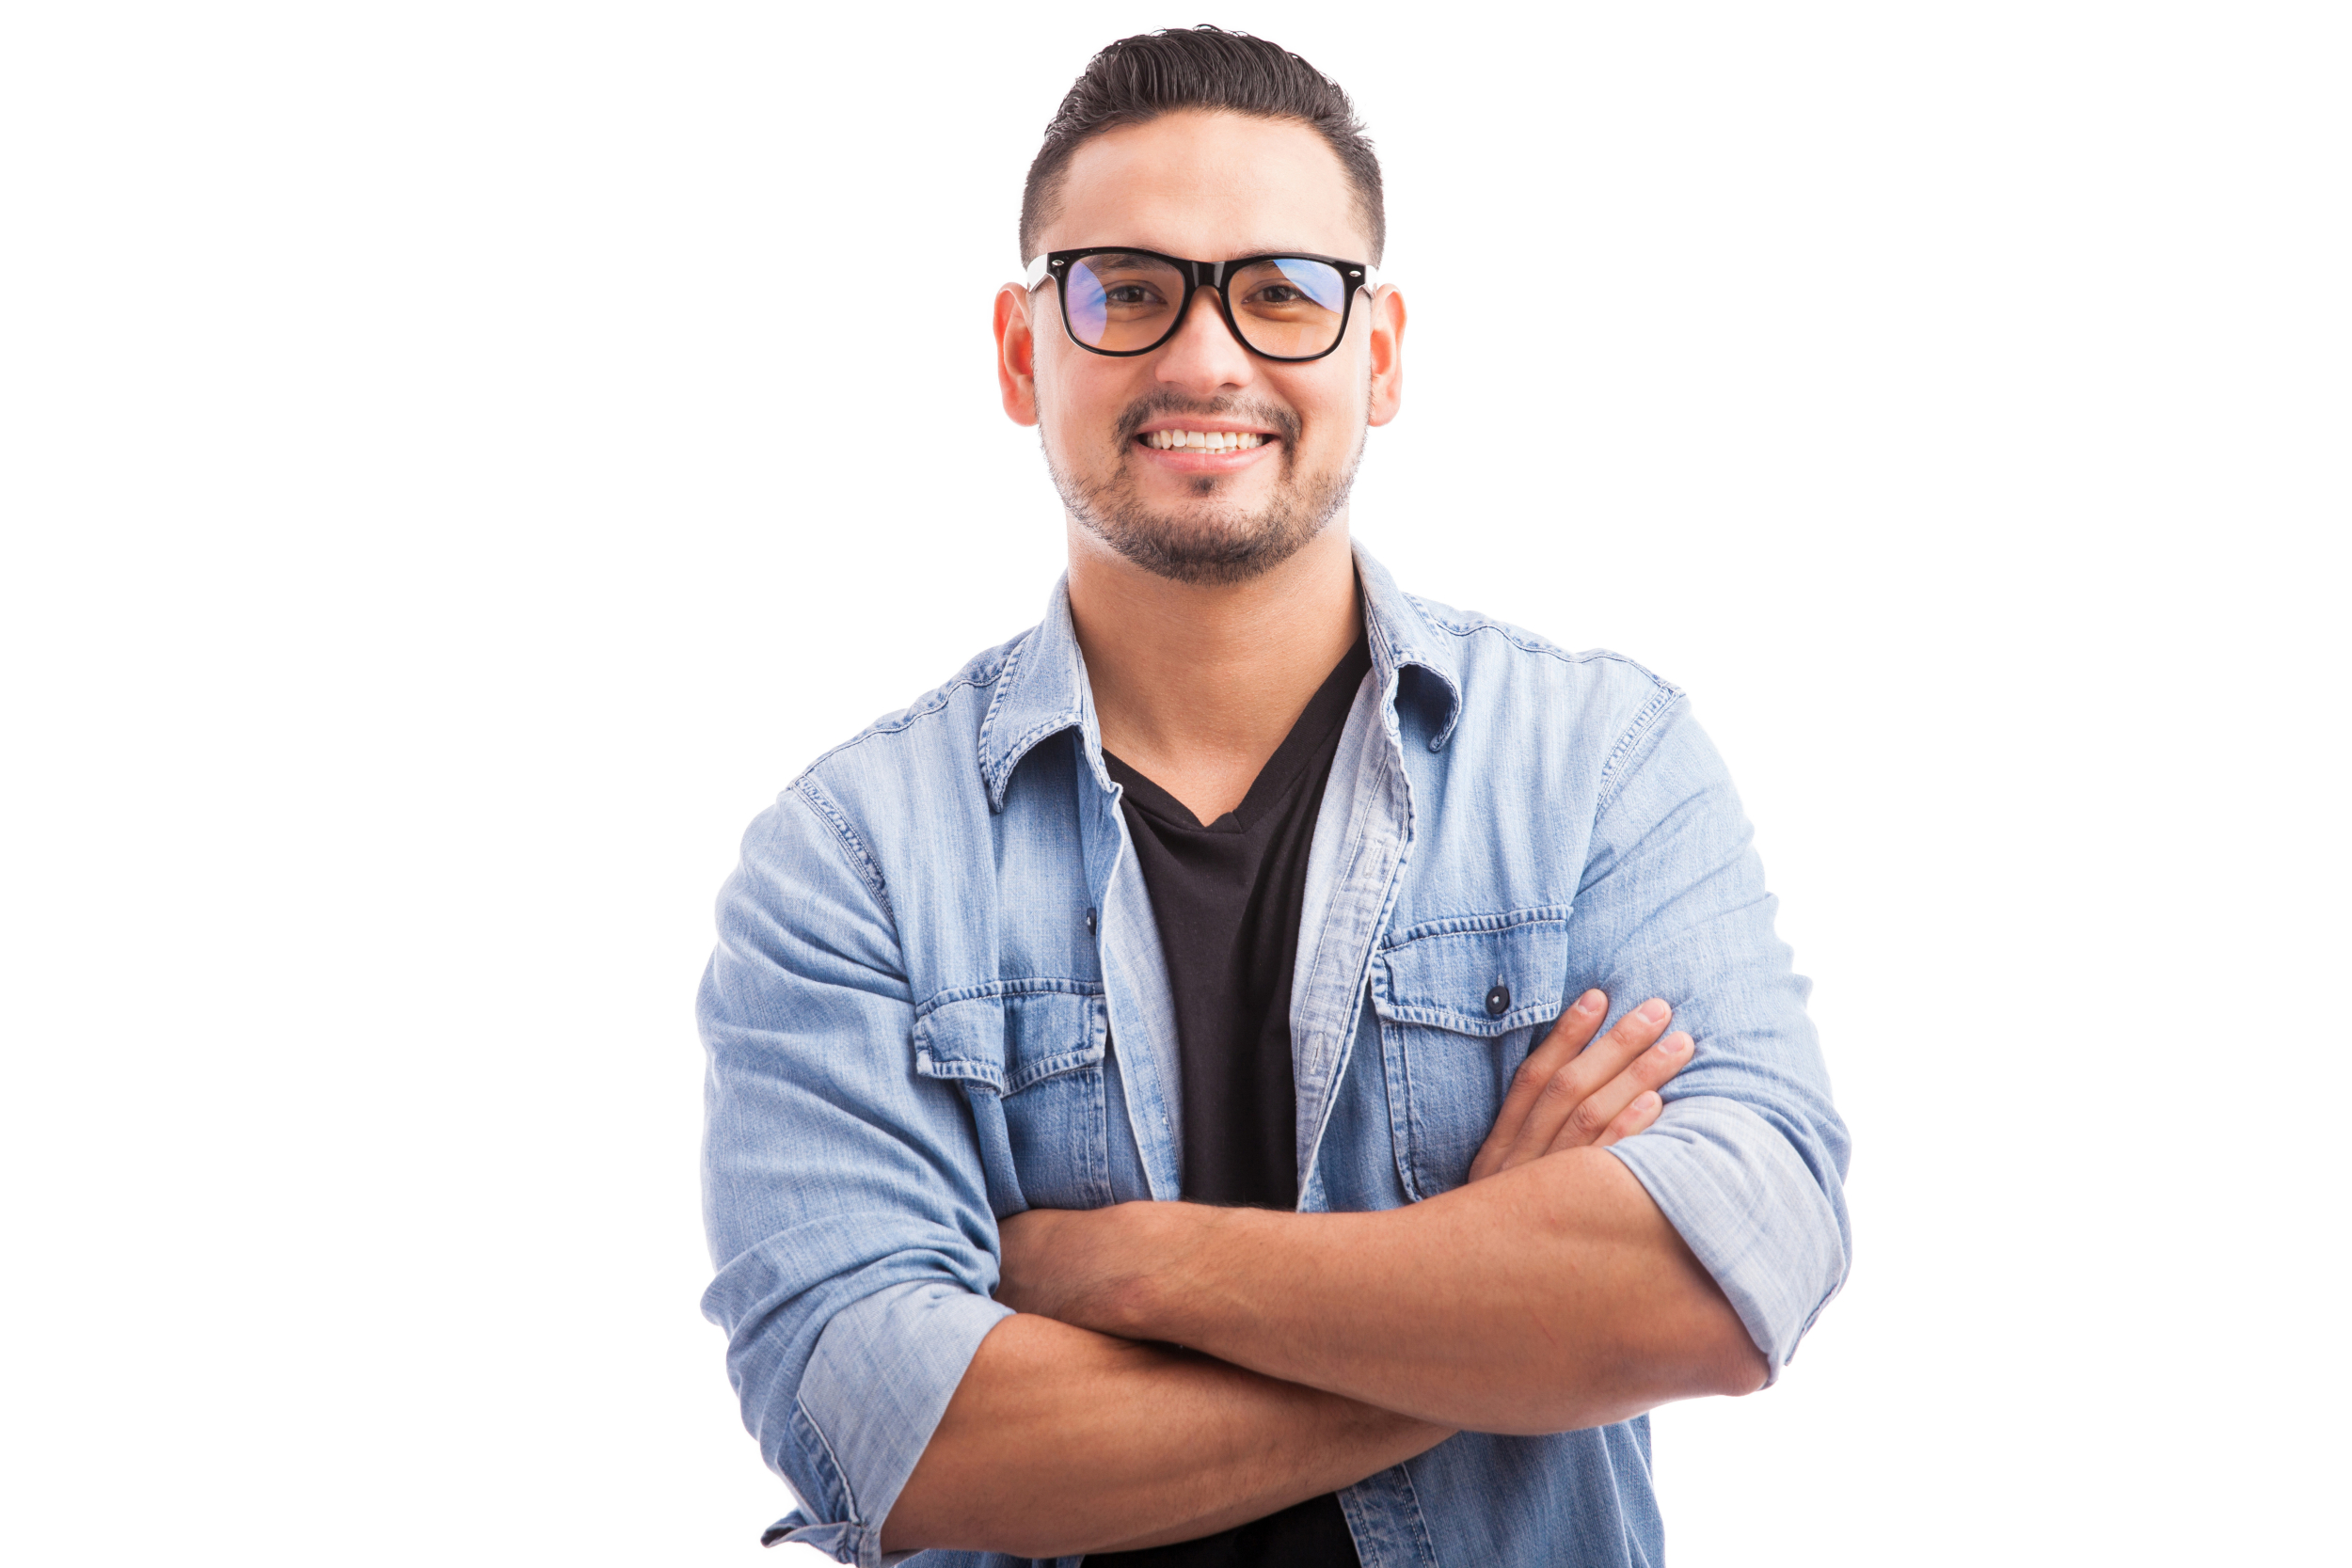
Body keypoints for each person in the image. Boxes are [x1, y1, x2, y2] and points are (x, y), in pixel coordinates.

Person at [698, 25, 1850, 1567]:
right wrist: (1488, 1310)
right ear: (1022, 352)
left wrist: (1135, 1267)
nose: (1205, 360)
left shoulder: (1596, 768)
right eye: (1126, 290)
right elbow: (902, 1442)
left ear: (1379, 354)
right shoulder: (850, 860)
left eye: (1284, 292)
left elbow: (1730, 1275)